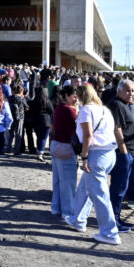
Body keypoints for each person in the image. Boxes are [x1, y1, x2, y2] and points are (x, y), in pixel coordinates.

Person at [64, 84, 120, 245]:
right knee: (86, 188)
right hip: (109, 152)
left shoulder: (86, 110)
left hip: (96, 153)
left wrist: (84, 156)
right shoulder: (104, 109)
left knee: (99, 194)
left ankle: (110, 232)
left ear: (81, 96)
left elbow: (87, 135)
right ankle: (78, 219)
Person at [107, 79, 134, 232]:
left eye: (133, 90)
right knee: (119, 188)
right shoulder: (117, 104)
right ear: (119, 90)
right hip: (122, 153)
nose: (131, 93)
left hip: (129, 152)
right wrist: (124, 151)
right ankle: (113, 219)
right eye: (127, 90)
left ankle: (116, 217)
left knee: (123, 187)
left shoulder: (126, 104)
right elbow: (117, 129)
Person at [50, 85, 79, 219]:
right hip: (65, 147)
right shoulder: (70, 111)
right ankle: (68, 212)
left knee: (57, 180)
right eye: (74, 96)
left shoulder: (58, 108)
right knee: (68, 182)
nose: (76, 98)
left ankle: (56, 208)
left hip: (55, 145)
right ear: (66, 95)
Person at [29, 86, 54, 162]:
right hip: (46, 121)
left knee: (39, 137)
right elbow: (52, 111)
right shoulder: (47, 101)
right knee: (43, 138)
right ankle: (40, 153)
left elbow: (31, 111)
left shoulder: (33, 101)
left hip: (36, 121)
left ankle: (39, 151)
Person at [7, 84, 28, 155]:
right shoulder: (22, 99)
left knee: (11, 133)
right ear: (21, 91)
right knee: (18, 134)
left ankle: (8, 148)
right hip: (20, 117)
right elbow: (27, 107)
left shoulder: (10, 98)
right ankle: (16, 151)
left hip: (11, 117)